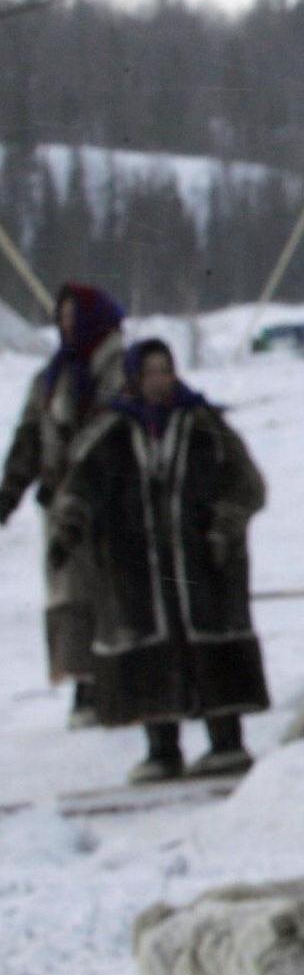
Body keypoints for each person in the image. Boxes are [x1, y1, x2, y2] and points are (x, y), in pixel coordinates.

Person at [50, 339, 269, 783]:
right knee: (150, 649)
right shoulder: (109, 432)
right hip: (136, 570)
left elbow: (246, 483)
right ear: (134, 377)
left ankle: (226, 741)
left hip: (203, 561)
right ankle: (162, 749)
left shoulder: (204, 424)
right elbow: (80, 488)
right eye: (149, 372)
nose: (158, 381)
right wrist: (69, 524)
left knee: (209, 643)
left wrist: (225, 522)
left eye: (165, 371)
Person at [0, 282, 127, 727]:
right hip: (61, 503)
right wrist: (9, 493)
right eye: (63, 317)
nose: (67, 325)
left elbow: (110, 429)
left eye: (76, 317)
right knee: (72, 593)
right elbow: (31, 436)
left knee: (113, 591)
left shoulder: (117, 365)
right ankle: (85, 682)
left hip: (111, 501)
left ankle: (114, 683)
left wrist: (80, 476)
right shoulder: (54, 374)